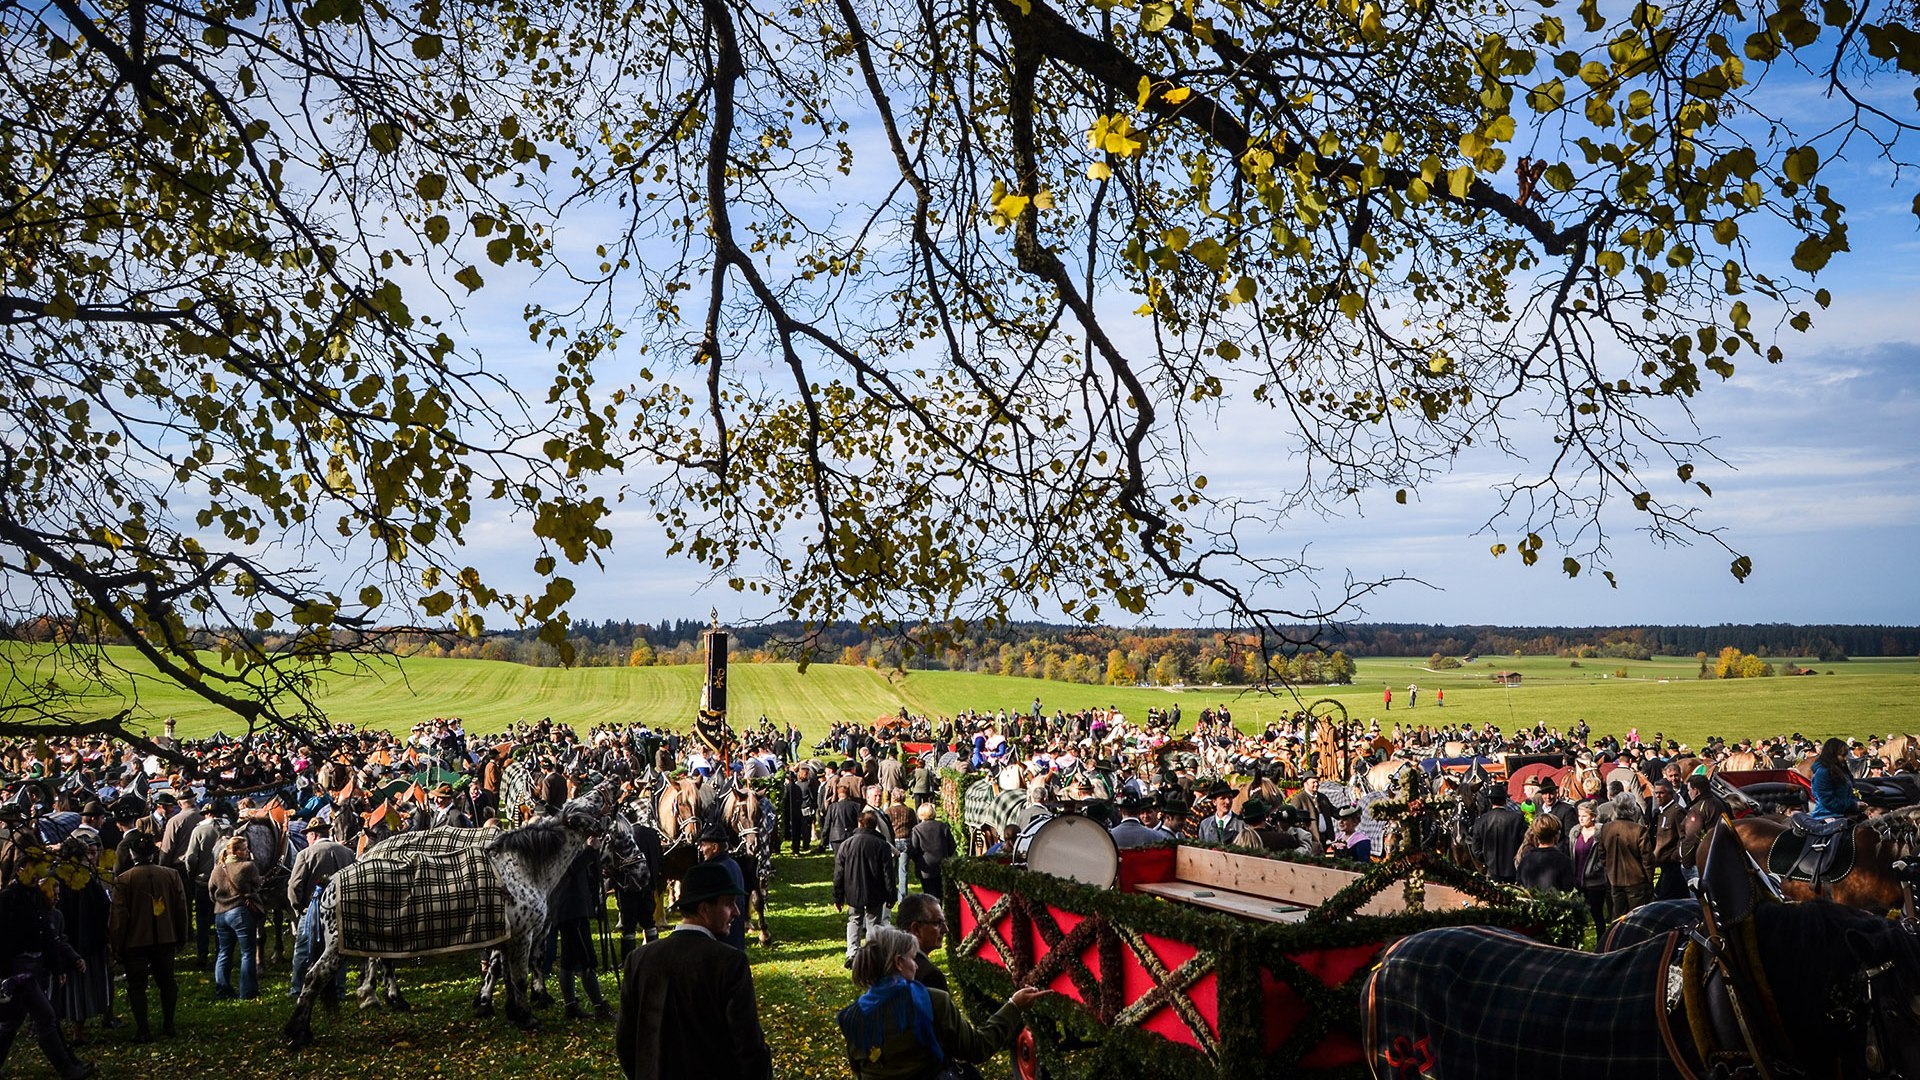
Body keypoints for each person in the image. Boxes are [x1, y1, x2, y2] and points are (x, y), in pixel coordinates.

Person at [616, 861, 772, 1080]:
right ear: (704, 909)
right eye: (728, 903)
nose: (737, 912)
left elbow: (625, 1042)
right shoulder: (729, 963)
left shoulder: (639, 959)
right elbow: (749, 1048)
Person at [837, 926, 1046, 1080]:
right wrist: (1014, 1006)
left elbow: (860, 1069)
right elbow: (977, 1048)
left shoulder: (852, 1016)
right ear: (899, 963)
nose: (917, 967)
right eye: (913, 959)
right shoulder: (931, 1000)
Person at [108, 830, 186, 1043]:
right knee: (167, 982)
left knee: (137, 986)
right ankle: (168, 1025)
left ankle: (143, 1029)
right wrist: (181, 936)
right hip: (165, 938)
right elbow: (181, 909)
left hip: (135, 942)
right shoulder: (171, 875)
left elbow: (119, 918)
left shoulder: (124, 880)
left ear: (132, 854)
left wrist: (117, 945)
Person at [285, 818, 354, 1001]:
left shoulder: (306, 854)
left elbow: (294, 885)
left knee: (302, 951)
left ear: (313, 834)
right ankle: (339, 990)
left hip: (313, 911)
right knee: (339, 951)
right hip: (341, 910)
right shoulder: (347, 852)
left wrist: (298, 907)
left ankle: (297, 989)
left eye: (308, 835)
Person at [834, 810, 897, 966]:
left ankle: (852, 953)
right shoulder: (882, 845)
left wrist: (838, 896)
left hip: (853, 890)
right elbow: (888, 873)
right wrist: (891, 895)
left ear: (860, 823)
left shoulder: (847, 844)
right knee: (873, 923)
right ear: (875, 825)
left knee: (854, 920)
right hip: (876, 891)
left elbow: (839, 873)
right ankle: (871, 954)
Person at [207, 834, 263, 1000]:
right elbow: (257, 885)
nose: (248, 851)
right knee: (247, 952)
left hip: (220, 913)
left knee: (224, 952)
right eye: (245, 849)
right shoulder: (248, 867)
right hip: (240, 912)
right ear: (237, 852)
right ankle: (248, 991)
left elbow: (211, 892)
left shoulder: (218, 869)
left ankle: (222, 990)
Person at [693, 825, 749, 951]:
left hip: (721, 941)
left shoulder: (714, 870)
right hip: (736, 940)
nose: (701, 849)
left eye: (703, 845)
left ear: (714, 847)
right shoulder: (734, 865)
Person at [1600, 799, 1653, 919]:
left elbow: (1602, 854)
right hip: (1636, 880)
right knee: (1637, 917)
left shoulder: (1606, 828)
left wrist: (1610, 869)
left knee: (1618, 917)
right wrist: (1648, 879)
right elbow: (1647, 858)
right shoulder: (1639, 830)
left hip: (1615, 879)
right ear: (1632, 810)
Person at [892, 892, 948, 993]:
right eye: (938, 923)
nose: (945, 929)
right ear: (916, 929)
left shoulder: (885, 964)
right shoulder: (930, 976)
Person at [1570, 800, 1608, 933]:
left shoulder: (1600, 833)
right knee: (1578, 914)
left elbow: (1605, 856)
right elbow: (1571, 854)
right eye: (1579, 816)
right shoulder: (1575, 833)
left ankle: (1601, 941)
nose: (1581, 819)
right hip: (1578, 880)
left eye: (1584, 816)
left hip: (1595, 882)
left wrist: (1596, 869)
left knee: (1597, 914)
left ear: (1592, 816)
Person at [905, 804, 956, 898]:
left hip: (925, 867)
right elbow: (952, 845)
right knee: (940, 894)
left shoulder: (917, 829)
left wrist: (917, 861)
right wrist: (946, 856)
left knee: (929, 894)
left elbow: (913, 849)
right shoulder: (943, 827)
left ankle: (931, 911)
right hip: (942, 864)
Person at [1515, 814, 1577, 892]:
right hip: (1555, 903)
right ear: (1557, 834)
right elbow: (1569, 891)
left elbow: (1520, 887)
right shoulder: (1564, 861)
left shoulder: (1526, 859)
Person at [1809, 737, 1862, 820]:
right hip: (1827, 815)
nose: (1845, 759)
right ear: (1832, 755)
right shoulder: (1823, 773)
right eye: (1843, 755)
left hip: (1845, 813)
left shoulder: (1843, 770)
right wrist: (1853, 805)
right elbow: (1828, 801)